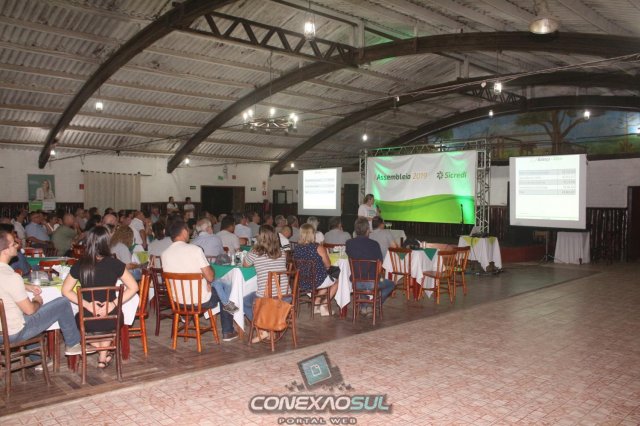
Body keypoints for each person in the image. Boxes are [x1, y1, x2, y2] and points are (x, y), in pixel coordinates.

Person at [0, 230, 87, 359]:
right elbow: (30, 310)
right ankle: (73, 344)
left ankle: (38, 359)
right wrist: (37, 301)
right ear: (5, 250)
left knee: (24, 315)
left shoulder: (9, 277)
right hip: (11, 334)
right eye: (13, 244)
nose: (17, 245)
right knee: (62, 303)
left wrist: (25, 286)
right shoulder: (12, 277)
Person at [61, 227, 138, 368]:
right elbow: (134, 287)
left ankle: (100, 352)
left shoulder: (80, 265)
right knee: (109, 323)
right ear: (107, 243)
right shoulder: (115, 264)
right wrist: (112, 304)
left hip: (87, 319)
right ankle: (103, 355)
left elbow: (65, 290)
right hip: (112, 318)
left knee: (75, 321)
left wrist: (88, 305)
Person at [161, 220, 238, 341]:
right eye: (188, 230)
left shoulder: (164, 254)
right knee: (224, 286)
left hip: (177, 302)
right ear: (184, 232)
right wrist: (208, 279)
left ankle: (185, 317)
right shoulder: (195, 250)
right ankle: (228, 331)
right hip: (199, 301)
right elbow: (210, 277)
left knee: (215, 286)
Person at [242, 225, 288, 342]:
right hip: (286, 296)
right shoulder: (282, 252)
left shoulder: (255, 252)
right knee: (262, 296)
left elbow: (245, 265)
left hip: (266, 297)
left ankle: (263, 329)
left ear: (260, 237)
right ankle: (270, 327)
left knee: (245, 301)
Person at [345, 218, 395, 315]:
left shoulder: (349, 243)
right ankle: (373, 304)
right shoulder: (374, 244)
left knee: (362, 284)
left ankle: (365, 305)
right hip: (372, 282)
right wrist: (378, 277)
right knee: (391, 284)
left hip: (355, 282)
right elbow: (379, 265)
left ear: (355, 230)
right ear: (368, 230)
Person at [293, 224, 337, 316]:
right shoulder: (318, 248)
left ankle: (316, 304)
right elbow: (328, 265)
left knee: (327, 278)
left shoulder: (296, 248)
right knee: (337, 279)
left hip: (302, 280)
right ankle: (324, 305)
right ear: (312, 234)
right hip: (317, 280)